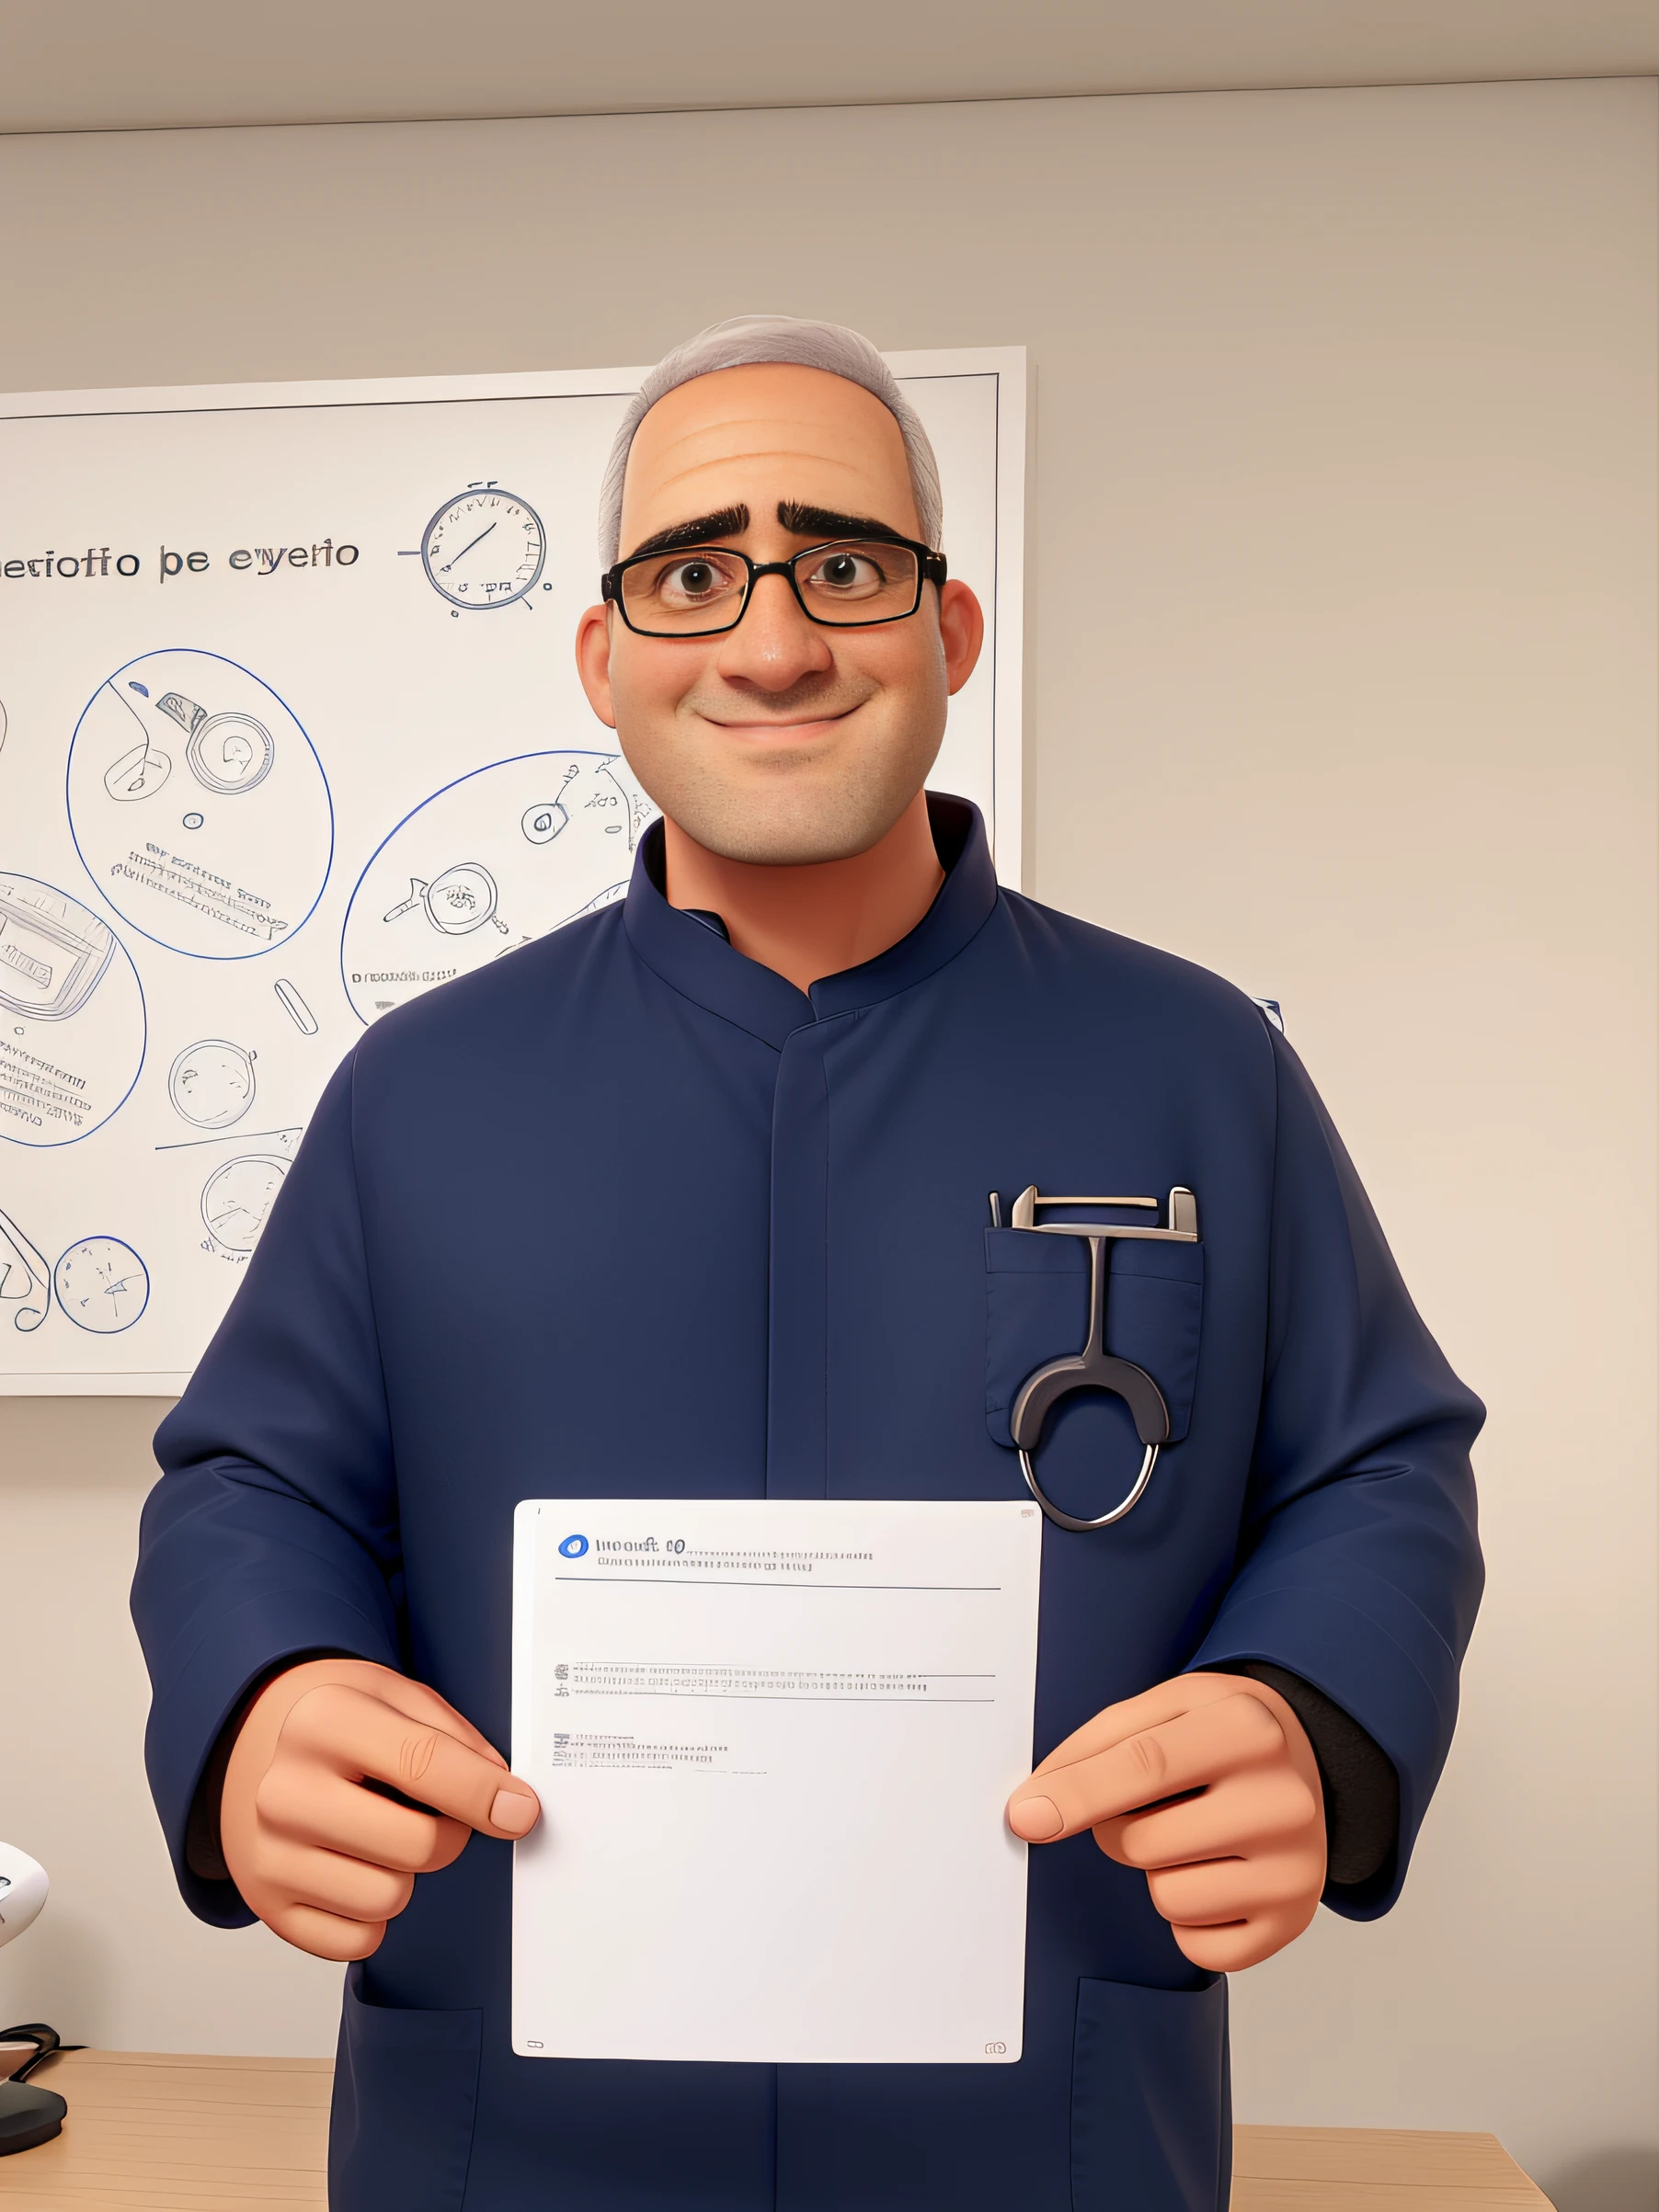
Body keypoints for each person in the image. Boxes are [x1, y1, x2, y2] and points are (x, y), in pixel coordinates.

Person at [132, 314, 1483, 2212]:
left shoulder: (1193, 1065)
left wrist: (1309, 1716)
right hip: (509, 2137)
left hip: (1041, 2127)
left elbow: (1373, 1467)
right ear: (604, 661)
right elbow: (250, 1484)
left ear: (948, 634)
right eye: (694, 578)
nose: (770, 642)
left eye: (840, 564)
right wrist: (262, 1696)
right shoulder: (420, 1090)